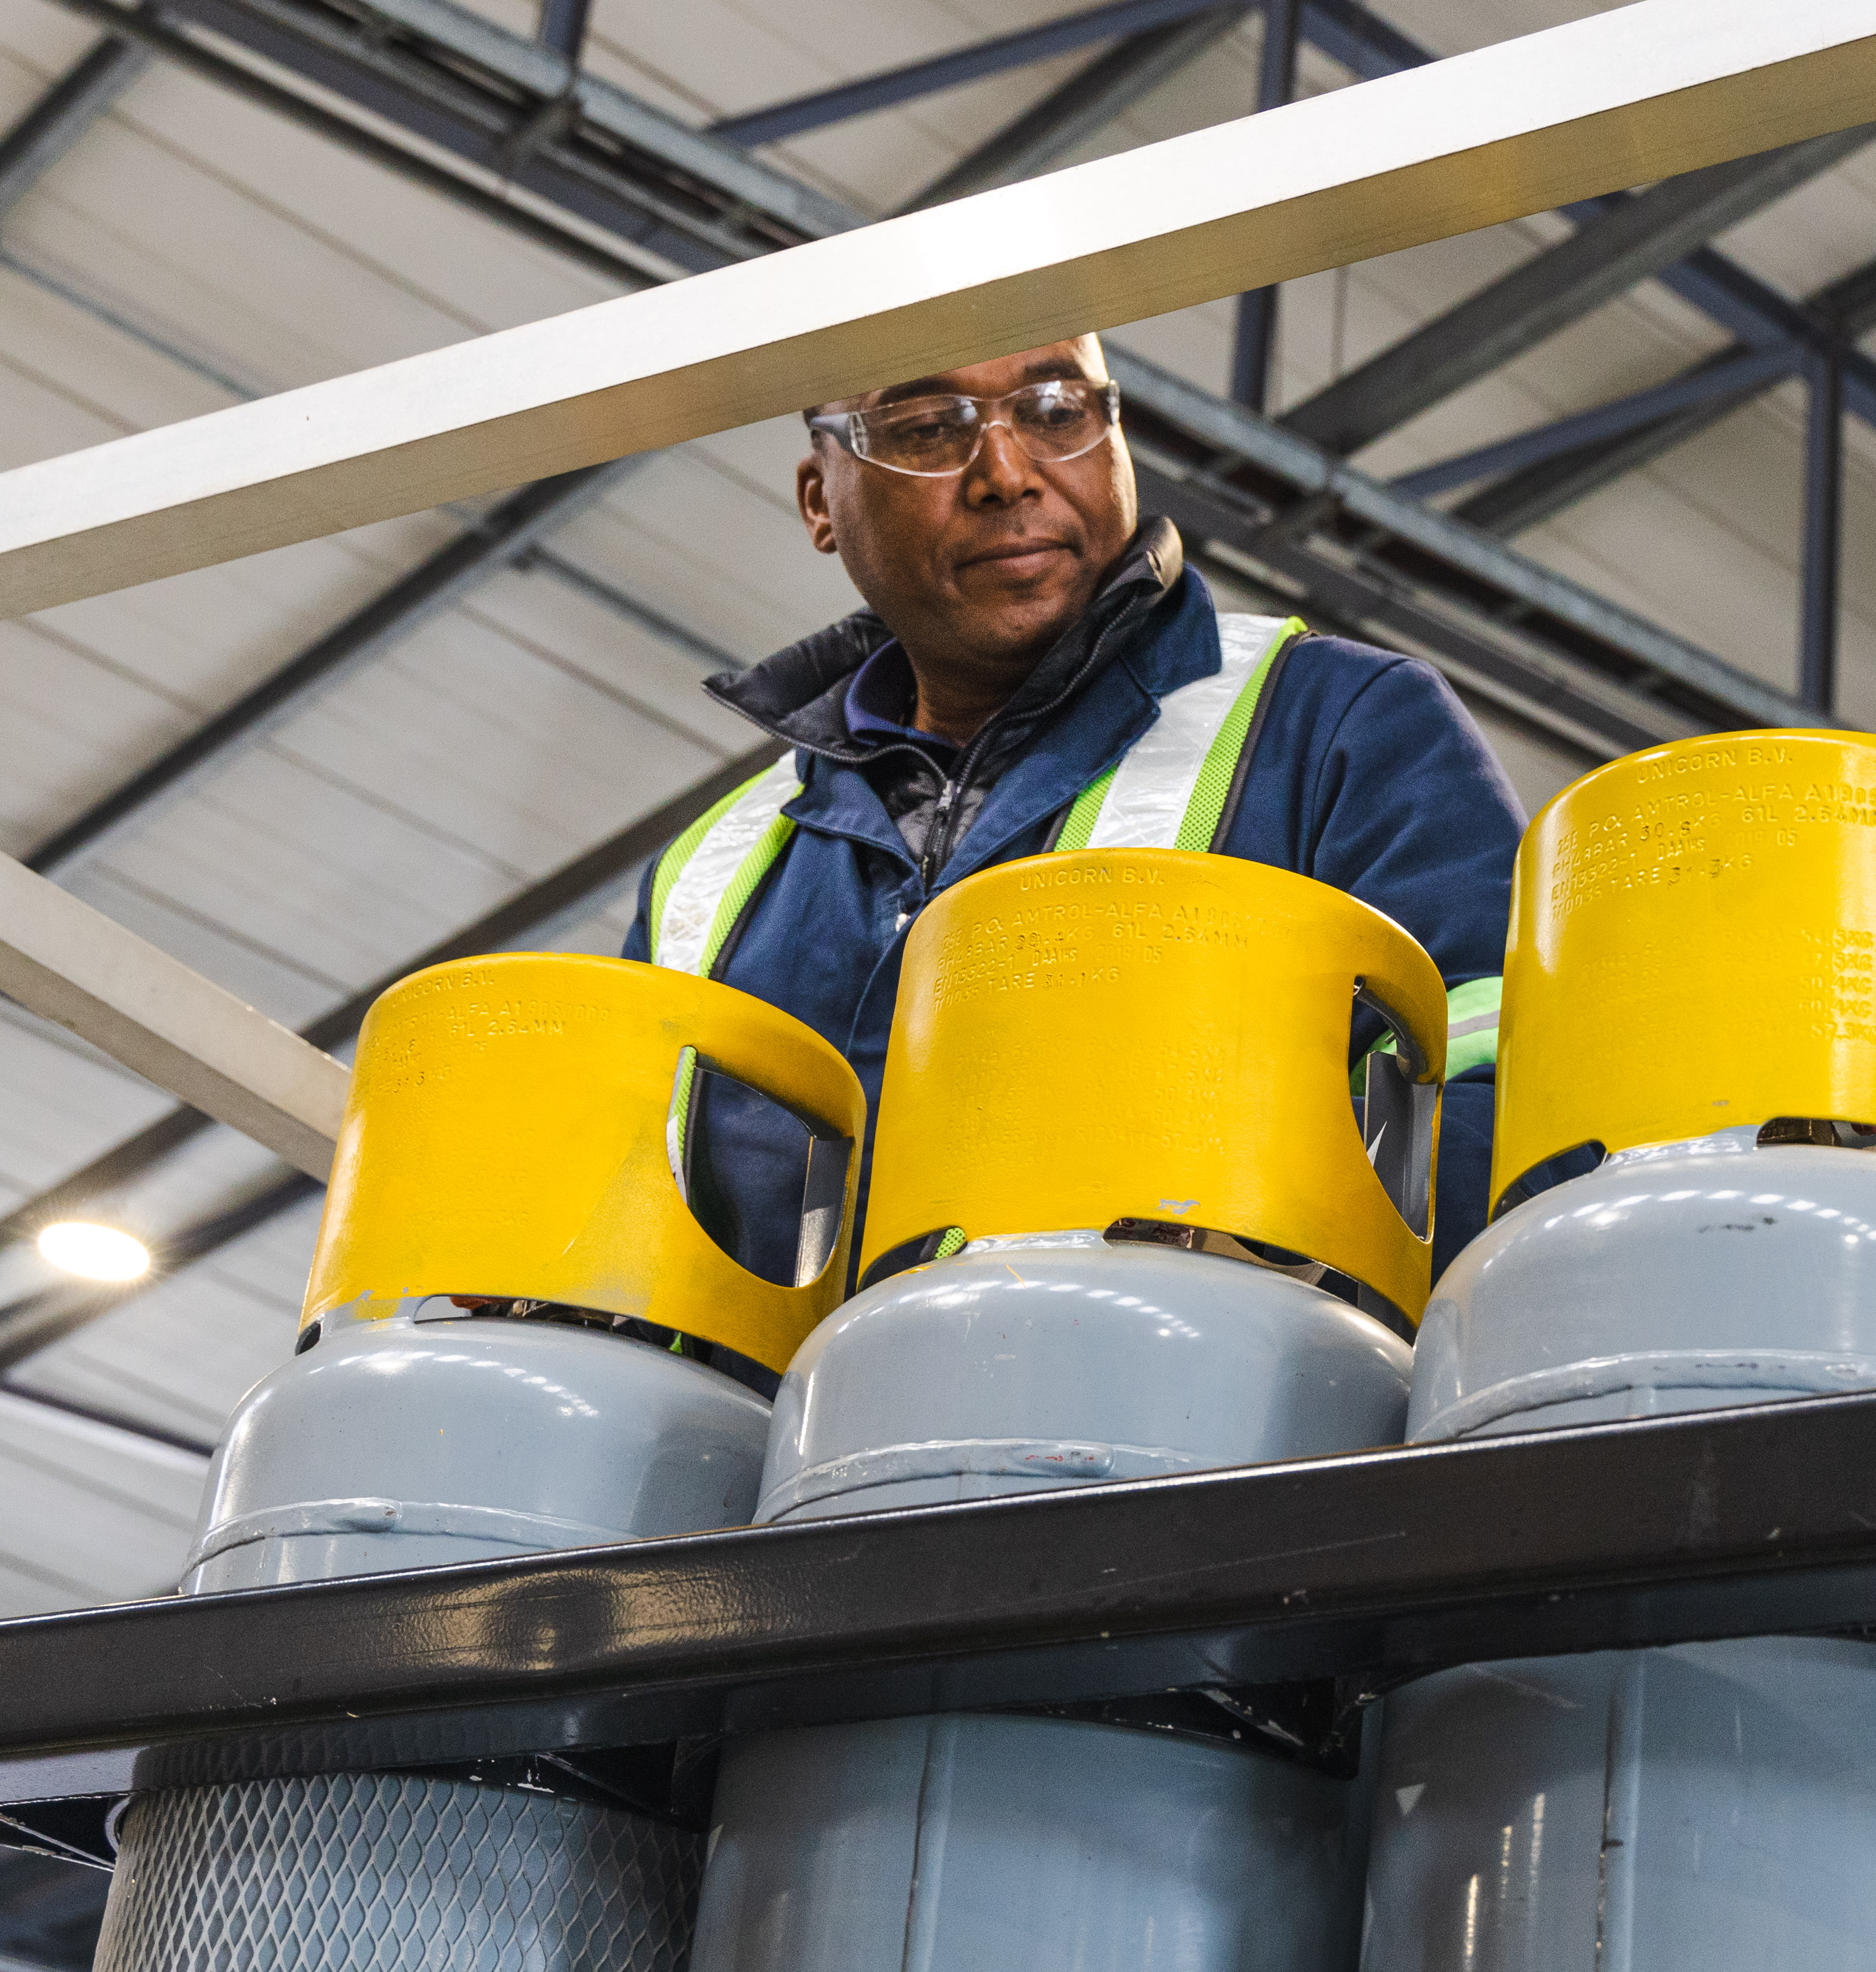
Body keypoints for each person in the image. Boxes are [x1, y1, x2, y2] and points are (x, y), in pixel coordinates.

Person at [621, 333, 1522, 1328]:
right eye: (926, 429)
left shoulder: (1334, 723)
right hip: (797, 1469)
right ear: (818, 503)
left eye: (1057, 412)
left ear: (1116, 434)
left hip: (1205, 1440)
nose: (1007, 475)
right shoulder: (708, 870)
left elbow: (1489, 1091)